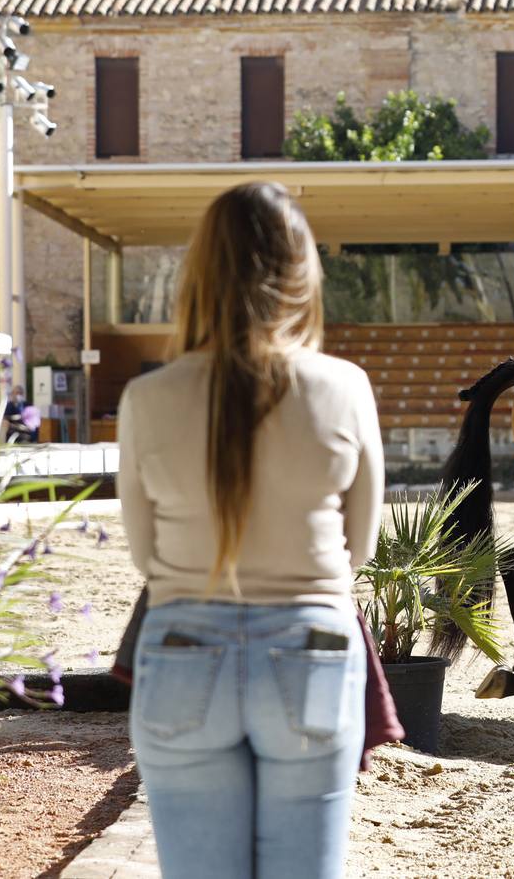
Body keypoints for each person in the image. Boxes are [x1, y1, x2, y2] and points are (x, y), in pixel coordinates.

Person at [117, 182, 384, 879]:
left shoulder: (146, 397)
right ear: (302, 274)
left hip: (182, 650)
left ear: (199, 274)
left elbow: (146, 555)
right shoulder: (344, 387)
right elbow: (360, 548)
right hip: (311, 652)